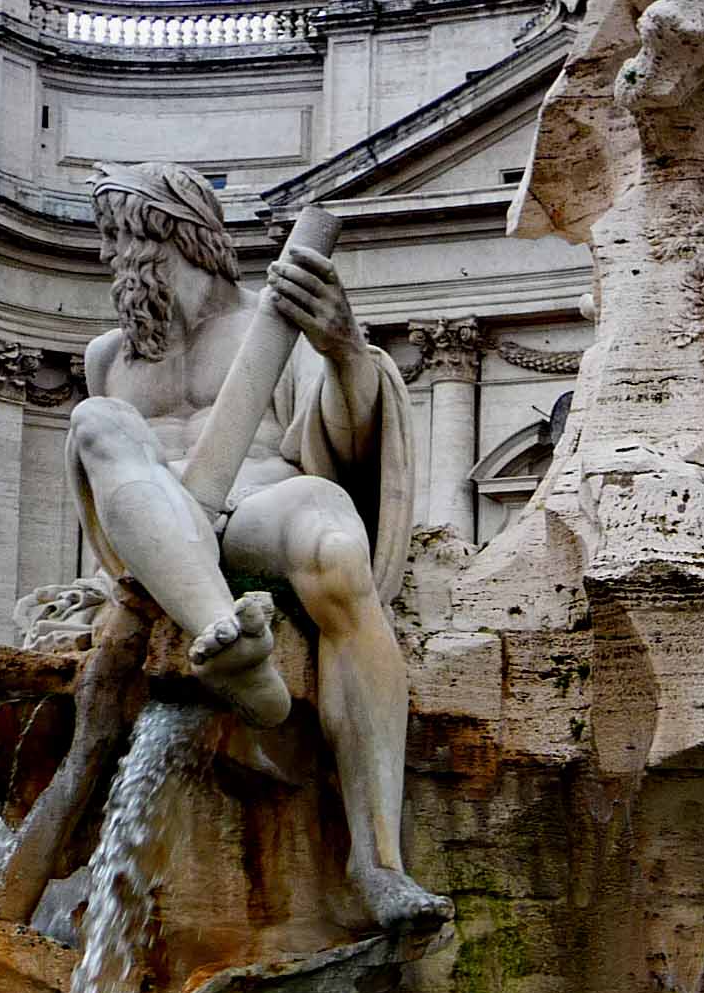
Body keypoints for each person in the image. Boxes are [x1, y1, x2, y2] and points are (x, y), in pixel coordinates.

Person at [66, 162, 449, 935]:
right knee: (97, 423)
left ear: (185, 237)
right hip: (166, 539)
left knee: (336, 539)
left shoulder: (269, 326)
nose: (117, 261)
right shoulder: (110, 357)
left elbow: (338, 442)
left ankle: (377, 860)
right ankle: (233, 646)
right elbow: (108, 485)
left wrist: (344, 351)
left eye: (130, 240)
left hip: (263, 508)